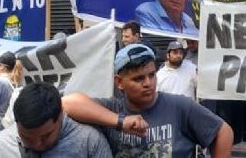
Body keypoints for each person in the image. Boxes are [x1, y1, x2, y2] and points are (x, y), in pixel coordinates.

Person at [63, 43, 233, 157]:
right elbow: (67, 103)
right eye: (138, 79)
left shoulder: (180, 106)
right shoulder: (111, 109)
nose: (148, 83)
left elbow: (223, 132)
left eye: (152, 75)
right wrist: (120, 122)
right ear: (119, 83)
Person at [0, 82, 112, 157]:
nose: (37, 144)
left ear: (60, 115)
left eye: (46, 136)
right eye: (27, 137)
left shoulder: (89, 141)